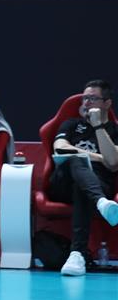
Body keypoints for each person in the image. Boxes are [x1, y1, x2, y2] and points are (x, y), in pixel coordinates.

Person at [48, 80, 118, 276]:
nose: (86, 102)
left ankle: (77, 254)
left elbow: (113, 162)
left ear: (107, 103)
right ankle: (101, 203)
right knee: (76, 160)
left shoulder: (114, 130)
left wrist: (98, 126)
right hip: (62, 182)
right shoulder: (71, 124)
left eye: (93, 98)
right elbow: (60, 148)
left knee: (82, 187)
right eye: (85, 98)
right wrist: (98, 158)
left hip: (97, 183)